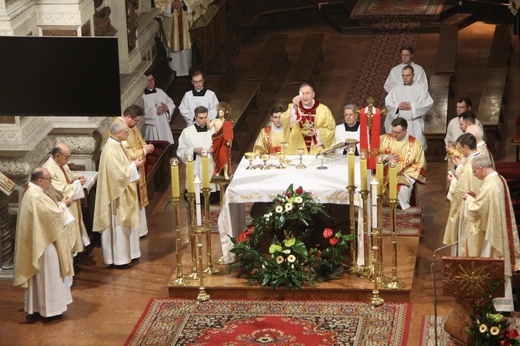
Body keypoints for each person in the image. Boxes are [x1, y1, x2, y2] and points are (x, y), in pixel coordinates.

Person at [13, 167, 75, 318]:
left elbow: (46, 213)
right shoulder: (35, 196)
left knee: (41, 278)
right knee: (49, 276)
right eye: (49, 179)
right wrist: (63, 205)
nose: (50, 182)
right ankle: (50, 310)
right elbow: (51, 216)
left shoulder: (32, 191)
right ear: (40, 180)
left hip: (40, 239)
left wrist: (59, 205)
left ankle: (37, 307)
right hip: (44, 244)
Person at [462, 155, 520, 301]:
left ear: (482, 169)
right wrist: (475, 196)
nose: (474, 175)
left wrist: (468, 199)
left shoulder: (489, 186)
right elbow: (488, 205)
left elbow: (477, 209)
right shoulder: (498, 179)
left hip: (491, 236)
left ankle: (492, 303)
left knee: (490, 265)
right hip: (496, 228)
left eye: (474, 172)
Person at [93, 121, 144, 267]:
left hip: (123, 191)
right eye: (126, 132)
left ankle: (130, 254)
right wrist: (134, 165)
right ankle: (119, 259)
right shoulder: (110, 150)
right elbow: (117, 175)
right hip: (116, 195)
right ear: (117, 133)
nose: (129, 134)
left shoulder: (117, 145)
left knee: (126, 227)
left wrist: (133, 163)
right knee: (119, 226)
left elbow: (122, 167)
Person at [111, 105, 154, 237]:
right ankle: (134, 231)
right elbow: (126, 153)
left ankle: (140, 229)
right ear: (128, 117)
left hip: (136, 168)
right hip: (127, 173)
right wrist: (144, 151)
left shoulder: (129, 126)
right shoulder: (118, 129)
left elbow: (138, 141)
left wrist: (145, 146)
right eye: (136, 121)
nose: (137, 124)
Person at [42, 143, 90, 255]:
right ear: (57, 155)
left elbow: (68, 175)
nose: (68, 159)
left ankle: (74, 258)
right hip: (62, 207)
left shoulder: (62, 163)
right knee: (67, 235)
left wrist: (77, 177)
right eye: (66, 157)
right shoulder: (48, 169)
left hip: (71, 204)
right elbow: (61, 190)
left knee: (74, 231)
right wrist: (77, 184)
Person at [443, 133, 483, 257]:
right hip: (476, 206)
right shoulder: (479, 158)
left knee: (464, 240)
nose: (460, 151)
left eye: (460, 148)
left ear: (466, 147)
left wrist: (453, 181)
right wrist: (460, 166)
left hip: (468, 210)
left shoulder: (471, 165)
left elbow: (461, 191)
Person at [380, 117, 426, 210]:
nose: (394, 134)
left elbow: (419, 164)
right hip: (384, 172)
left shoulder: (415, 144)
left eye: (397, 132)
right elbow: (373, 154)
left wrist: (402, 174)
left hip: (405, 174)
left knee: (403, 189)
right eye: (393, 131)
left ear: (405, 131)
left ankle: (403, 213)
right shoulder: (384, 139)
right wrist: (386, 157)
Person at [384, 65, 433, 151]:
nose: (405, 78)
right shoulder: (396, 89)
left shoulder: (421, 89)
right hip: (399, 125)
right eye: (403, 75)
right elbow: (388, 103)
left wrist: (413, 106)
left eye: (408, 75)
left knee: (416, 149)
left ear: (413, 75)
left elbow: (428, 104)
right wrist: (397, 106)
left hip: (414, 124)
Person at [281, 83, 336, 155]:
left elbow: (331, 129)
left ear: (313, 94)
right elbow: (285, 122)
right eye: (302, 94)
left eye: (307, 93)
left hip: (316, 149)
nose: (305, 97)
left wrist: (317, 132)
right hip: (296, 148)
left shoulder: (323, 110)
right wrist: (295, 106)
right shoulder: (293, 107)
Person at [177, 106, 215, 188]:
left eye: (206, 117)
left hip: (211, 163)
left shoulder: (213, 130)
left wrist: (215, 149)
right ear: (195, 117)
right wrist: (193, 150)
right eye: (201, 118)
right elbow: (180, 151)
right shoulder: (187, 132)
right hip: (196, 165)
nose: (204, 120)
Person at [142, 73, 175, 143]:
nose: (151, 82)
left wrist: (167, 107)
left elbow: (170, 102)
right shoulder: (142, 96)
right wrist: (154, 111)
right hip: (151, 127)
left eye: (152, 79)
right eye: (148, 80)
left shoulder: (160, 91)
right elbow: (141, 112)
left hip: (163, 123)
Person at [209, 103, 234, 180]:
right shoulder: (215, 120)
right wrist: (207, 121)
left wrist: (229, 142)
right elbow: (209, 127)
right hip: (216, 141)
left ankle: (226, 173)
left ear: (224, 113)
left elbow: (230, 135)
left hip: (224, 143)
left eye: (221, 113)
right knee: (217, 158)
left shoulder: (227, 123)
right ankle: (218, 171)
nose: (220, 114)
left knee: (223, 157)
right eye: (219, 112)